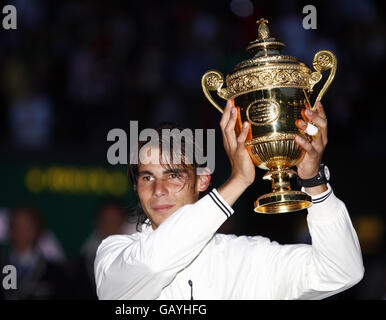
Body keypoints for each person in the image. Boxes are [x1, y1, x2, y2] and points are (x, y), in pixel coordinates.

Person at [94, 100, 364, 299]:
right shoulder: (113, 254)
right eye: (147, 177)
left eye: (174, 175)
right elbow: (154, 263)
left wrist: (314, 182)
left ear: (203, 180)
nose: (159, 190)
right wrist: (237, 181)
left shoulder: (252, 258)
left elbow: (342, 270)